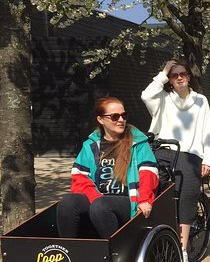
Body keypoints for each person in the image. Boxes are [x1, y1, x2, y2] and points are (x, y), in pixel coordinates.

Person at [141, 59, 210, 262]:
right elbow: (145, 95)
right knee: (151, 185)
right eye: (174, 75)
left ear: (189, 76)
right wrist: (163, 72)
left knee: (188, 191)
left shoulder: (200, 100)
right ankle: (153, 236)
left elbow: (207, 131)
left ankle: (182, 248)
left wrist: (207, 159)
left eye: (183, 73)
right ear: (170, 79)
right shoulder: (163, 99)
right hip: (165, 150)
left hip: (190, 153)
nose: (180, 77)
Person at [57, 97, 159, 239]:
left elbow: (149, 173)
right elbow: (79, 178)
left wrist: (145, 199)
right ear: (100, 119)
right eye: (114, 116)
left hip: (128, 201)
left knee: (101, 206)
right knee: (67, 203)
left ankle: (113, 255)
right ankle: (68, 253)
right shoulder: (90, 145)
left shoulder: (138, 143)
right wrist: (95, 197)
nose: (121, 120)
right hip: (98, 199)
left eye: (124, 115)